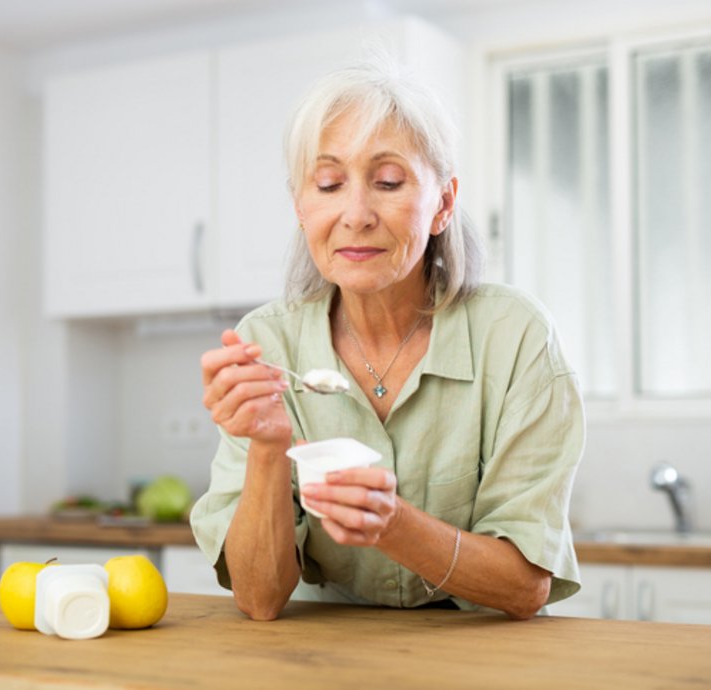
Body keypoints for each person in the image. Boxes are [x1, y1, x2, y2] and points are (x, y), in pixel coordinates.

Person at [190, 59, 584, 621]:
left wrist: (393, 526)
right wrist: (268, 449)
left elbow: (524, 587)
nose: (355, 214)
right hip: (321, 662)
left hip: (483, 657)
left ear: (443, 204)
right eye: (328, 184)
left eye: (389, 182)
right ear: (301, 208)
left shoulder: (516, 338)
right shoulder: (266, 343)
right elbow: (257, 598)